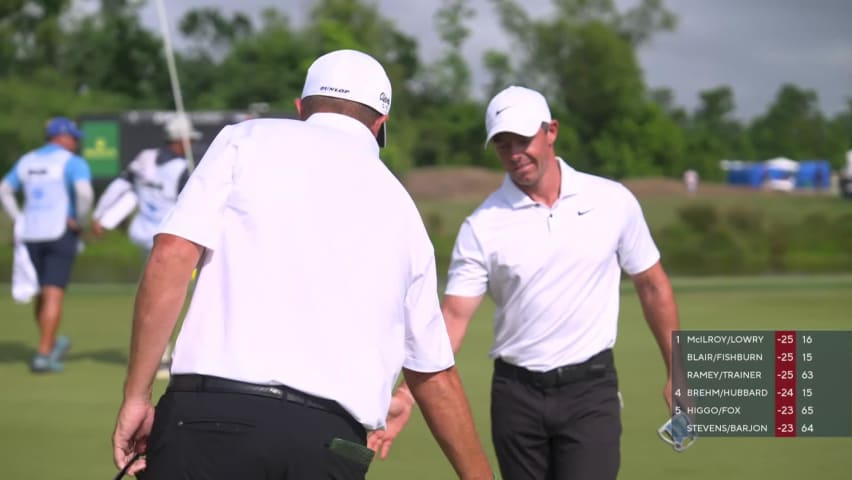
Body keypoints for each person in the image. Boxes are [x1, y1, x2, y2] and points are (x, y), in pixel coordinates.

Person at [111, 49, 493, 480]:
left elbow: (172, 254)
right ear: (380, 123)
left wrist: (136, 396)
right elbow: (434, 376)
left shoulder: (246, 139)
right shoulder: (405, 211)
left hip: (210, 417)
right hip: (330, 445)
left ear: (301, 108)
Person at [372, 86, 681, 479]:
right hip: (516, 396)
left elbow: (652, 284)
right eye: (503, 144)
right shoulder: (481, 225)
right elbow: (453, 318)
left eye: (523, 139)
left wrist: (679, 372)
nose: (515, 153)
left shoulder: (612, 201)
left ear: (551, 131)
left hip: (590, 389)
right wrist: (407, 394)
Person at [91, 113, 202, 380]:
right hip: (172, 240)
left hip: (143, 236)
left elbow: (120, 186)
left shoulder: (144, 157)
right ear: (179, 139)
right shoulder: (185, 167)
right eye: (187, 139)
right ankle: (163, 358)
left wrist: (100, 215)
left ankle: (160, 354)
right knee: (172, 298)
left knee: (158, 295)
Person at [0, 116, 93, 373]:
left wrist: (18, 218)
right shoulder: (72, 162)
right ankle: (43, 352)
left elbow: (4, 189)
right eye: (73, 137)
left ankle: (48, 343)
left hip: (30, 234)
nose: (75, 142)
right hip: (60, 232)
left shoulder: (27, 160)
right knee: (53, 292)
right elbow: (84, 193)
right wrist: (81, 220)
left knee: (41, 292)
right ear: (61, 137)